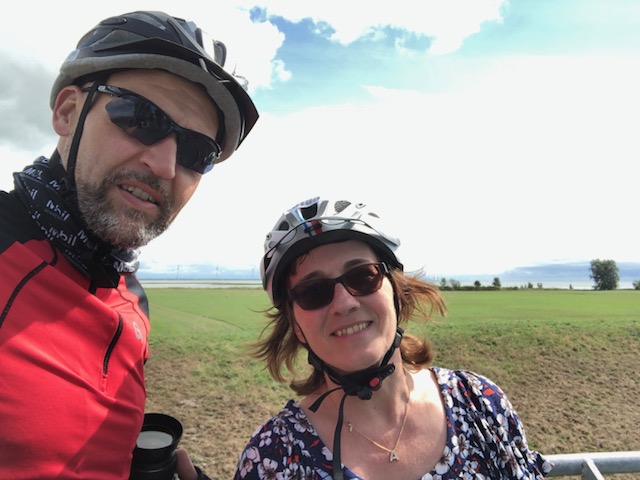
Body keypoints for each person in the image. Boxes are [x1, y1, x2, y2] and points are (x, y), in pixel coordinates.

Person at [0, 10, 258, 480]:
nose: (166, 165)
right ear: (67, 112)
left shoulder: (132, 298)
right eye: (142, 118)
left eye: (197, 152)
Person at [234, 197, 552, 480]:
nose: (344, 303)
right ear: (296, 326)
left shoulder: (479, 403)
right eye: (313, 291)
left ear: (396, 291)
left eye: (363, 275)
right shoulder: (273, 457)